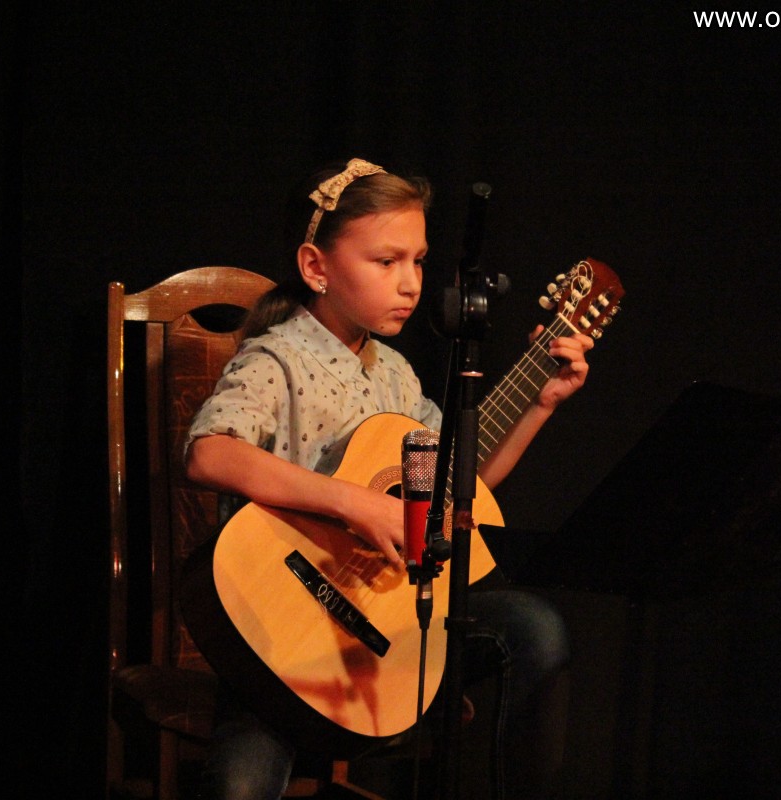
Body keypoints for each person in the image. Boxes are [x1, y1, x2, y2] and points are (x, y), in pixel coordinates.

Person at [184, 158, 594, 799]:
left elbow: (458, 482)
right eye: (386, 261)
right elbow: (209, 453)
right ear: (316, 267)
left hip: (379, 624)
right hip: (283, 634)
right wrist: (355, 503)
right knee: (241, 785)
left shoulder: (395, 374)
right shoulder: (276, 357)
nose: (410, 284)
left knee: (534, 628)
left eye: (419, 262)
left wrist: (540, 403)